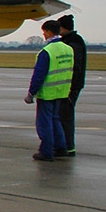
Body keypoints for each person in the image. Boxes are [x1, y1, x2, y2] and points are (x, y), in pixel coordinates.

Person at [24, 19, 74, 161]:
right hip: (62, 90)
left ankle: (46, 152)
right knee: (55, 119)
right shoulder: (68, 49)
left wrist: (31, 93)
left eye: (44, 32)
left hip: (48, 92)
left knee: (44, 123)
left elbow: (39, 74)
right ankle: (61, 147)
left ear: (49, 32)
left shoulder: (47, 52)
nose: (44, 35)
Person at [57, 14, 86, 156]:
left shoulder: (73, 42)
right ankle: (65, 145)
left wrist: (70, 87)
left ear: (63, 28)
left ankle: (68, 146)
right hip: (70, 85)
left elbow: (76, 66)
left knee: (66, 116)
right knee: (63, 115)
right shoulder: (71, 40)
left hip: (71, 86)